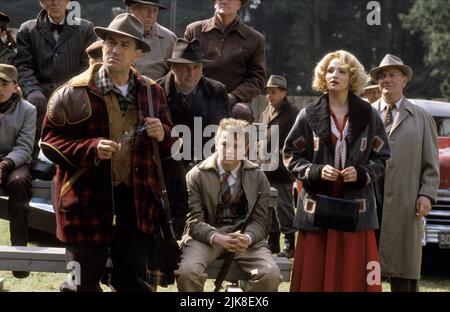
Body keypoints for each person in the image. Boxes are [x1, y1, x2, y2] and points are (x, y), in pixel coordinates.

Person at [40, 13, 176, 292]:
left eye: (124, 45)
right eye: (110, 42)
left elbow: (171, 145)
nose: (114, 49)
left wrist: (162, 134)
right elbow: (49, 142)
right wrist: (89, 148)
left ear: (138, 53)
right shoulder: (72, 92)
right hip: (85, 203)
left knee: (131, 283)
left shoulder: (153, 93)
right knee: (79, 285)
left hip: (135, 204)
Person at [283, 50, 390, 292]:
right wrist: (316, 171)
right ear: (323, 75)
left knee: (353, 274)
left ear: (352, 77)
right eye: (330, 70)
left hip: (357, 206)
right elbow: (290, 155)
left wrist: (362, 173)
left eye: (342, 71)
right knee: (314, 275)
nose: (334, 75)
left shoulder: (369, 115)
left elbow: (382, 157)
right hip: (317, 207)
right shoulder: (308, 114)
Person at [146, 38, 229, 289]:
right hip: (165, 167)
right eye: (183, 67)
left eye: (196, 67)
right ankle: (165, 261)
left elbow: (220, 135)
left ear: (203, 68)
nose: (190, 72)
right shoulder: (155, 90)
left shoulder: (216, 91)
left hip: (204, 164)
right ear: (172, 67)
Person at [175, 118, 281, 292]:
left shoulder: (257, 176)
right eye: (224, 144)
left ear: (246, 148)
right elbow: (193, 222)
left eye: (237, 146)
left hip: (244, 241)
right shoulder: (197, 175)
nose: (229, 150)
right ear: (216, 143)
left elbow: (260, 222)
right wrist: (219, 238)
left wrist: (246, 238)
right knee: (188, 272)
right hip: (207, 238)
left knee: (270, 275)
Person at [370, 54, 439, 292]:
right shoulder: (366, 115)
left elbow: (431, 164)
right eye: (382, 76)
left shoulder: (422, 117)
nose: (386, 80)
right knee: (367, 269)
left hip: (406, 202)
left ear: (404, 80)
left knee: (405, 269)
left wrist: (426, 195)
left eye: (392, 75)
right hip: (370, 201)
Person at [15, 0, 96, 158]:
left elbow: (89, 66)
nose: (54, 2)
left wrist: (74, 90)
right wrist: (32, 89)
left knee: (74, 142)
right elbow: (23, 65)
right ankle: (32, 159)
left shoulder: (86, 28)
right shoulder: (27, 29)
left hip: (74, 93)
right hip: (40, 96)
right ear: (42, 3)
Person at [184, 0, 266, 109]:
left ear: (239, 4)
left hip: (235, 102)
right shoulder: (194, 31)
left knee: (241, 111)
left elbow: (257, 79)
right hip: (196, 96)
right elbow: (181, 67)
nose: (224, 1)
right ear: (214, 3)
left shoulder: (255, 39)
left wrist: (234, 97)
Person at [0, 64, 36, 278]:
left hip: (15, 161)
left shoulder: (28, 109)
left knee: (20, 182)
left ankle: (20, 259)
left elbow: (24, 147)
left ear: (16, 86)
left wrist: (4, 165)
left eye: (4, 83)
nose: (0, 88)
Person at [259, 75, 299, 258]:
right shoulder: (265, 111)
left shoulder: (293, 112)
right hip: (265, 168)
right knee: (268, 207)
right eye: (268, 91)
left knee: (283, 207)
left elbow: (297, 141)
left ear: (284, 93)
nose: (269, 95)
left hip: (283, 170)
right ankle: (272, 242)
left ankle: (290, 243)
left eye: (273, 91)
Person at [125, 0, 177, 80]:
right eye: (147, 9)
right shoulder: (114, 34)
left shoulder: (170, 38)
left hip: (157, 90)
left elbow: (176, 73)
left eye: (155, 10)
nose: (151, 15)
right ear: (133, 9)